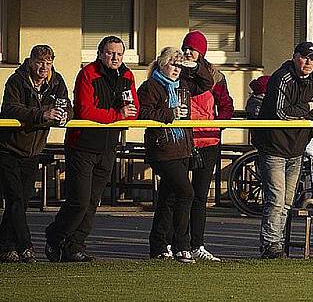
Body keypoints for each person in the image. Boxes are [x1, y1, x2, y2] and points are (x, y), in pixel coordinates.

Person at [45, 35, 139, 263]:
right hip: (83, 145)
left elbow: (134, 108)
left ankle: (75, 246)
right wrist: (117, 115)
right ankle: (55, 236)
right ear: (100, 54)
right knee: (79, 200)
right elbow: (86, 111)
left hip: (108, 146)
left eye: (119, 54)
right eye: (110, 53)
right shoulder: (88, 74)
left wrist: (127, 113)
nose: (115, 58)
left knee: (94, 201)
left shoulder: (127, 75)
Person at [252, 42, 313, 259]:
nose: (308, 62)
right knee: (275, 198)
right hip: (274, 146)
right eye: (304, 57)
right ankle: (270, 244)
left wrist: (307, 112)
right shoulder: (281, 77)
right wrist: (308, 108)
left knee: (286, 201)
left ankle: (276, 243)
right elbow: (280, 113)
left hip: (297, 148)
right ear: (294, 57)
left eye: (312, 58)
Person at [138, 47, 213, 263]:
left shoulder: (184, 85)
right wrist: (170, 114)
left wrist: (194, 66)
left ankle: (159, 245)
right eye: (173, 64)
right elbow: (144, 112)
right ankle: (182, 245)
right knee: (186, 192)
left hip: (182, 148)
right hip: (163, 149)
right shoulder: (151, 86)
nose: (176, 70)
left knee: (168, 198)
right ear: (162, 64)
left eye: (179, 66)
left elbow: (207, 83)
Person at [0, 45, 72, 263]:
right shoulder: (17, 80)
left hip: (33, 150)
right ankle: (26, 245)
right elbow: (10, 109)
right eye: (40, 62)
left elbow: (67, 105)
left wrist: (64, 115)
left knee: (22, 201)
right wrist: (42, 114)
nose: (44, 67)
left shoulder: (56, 81)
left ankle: (5, 246)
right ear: (30, 62)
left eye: (49, 62)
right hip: (9, 148)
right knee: (15, 198)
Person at [179, 31, 234, 262]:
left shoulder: (216, 77)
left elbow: (227, 106)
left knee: (200, 196)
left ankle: (197, 244)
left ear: (202, 51)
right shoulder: (177, 71)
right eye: (186, 48)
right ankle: (177, 243)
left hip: (208, 142)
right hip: (183, 140)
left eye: (192, 48)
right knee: (180, 194)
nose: (188, 52)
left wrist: (218, 126)